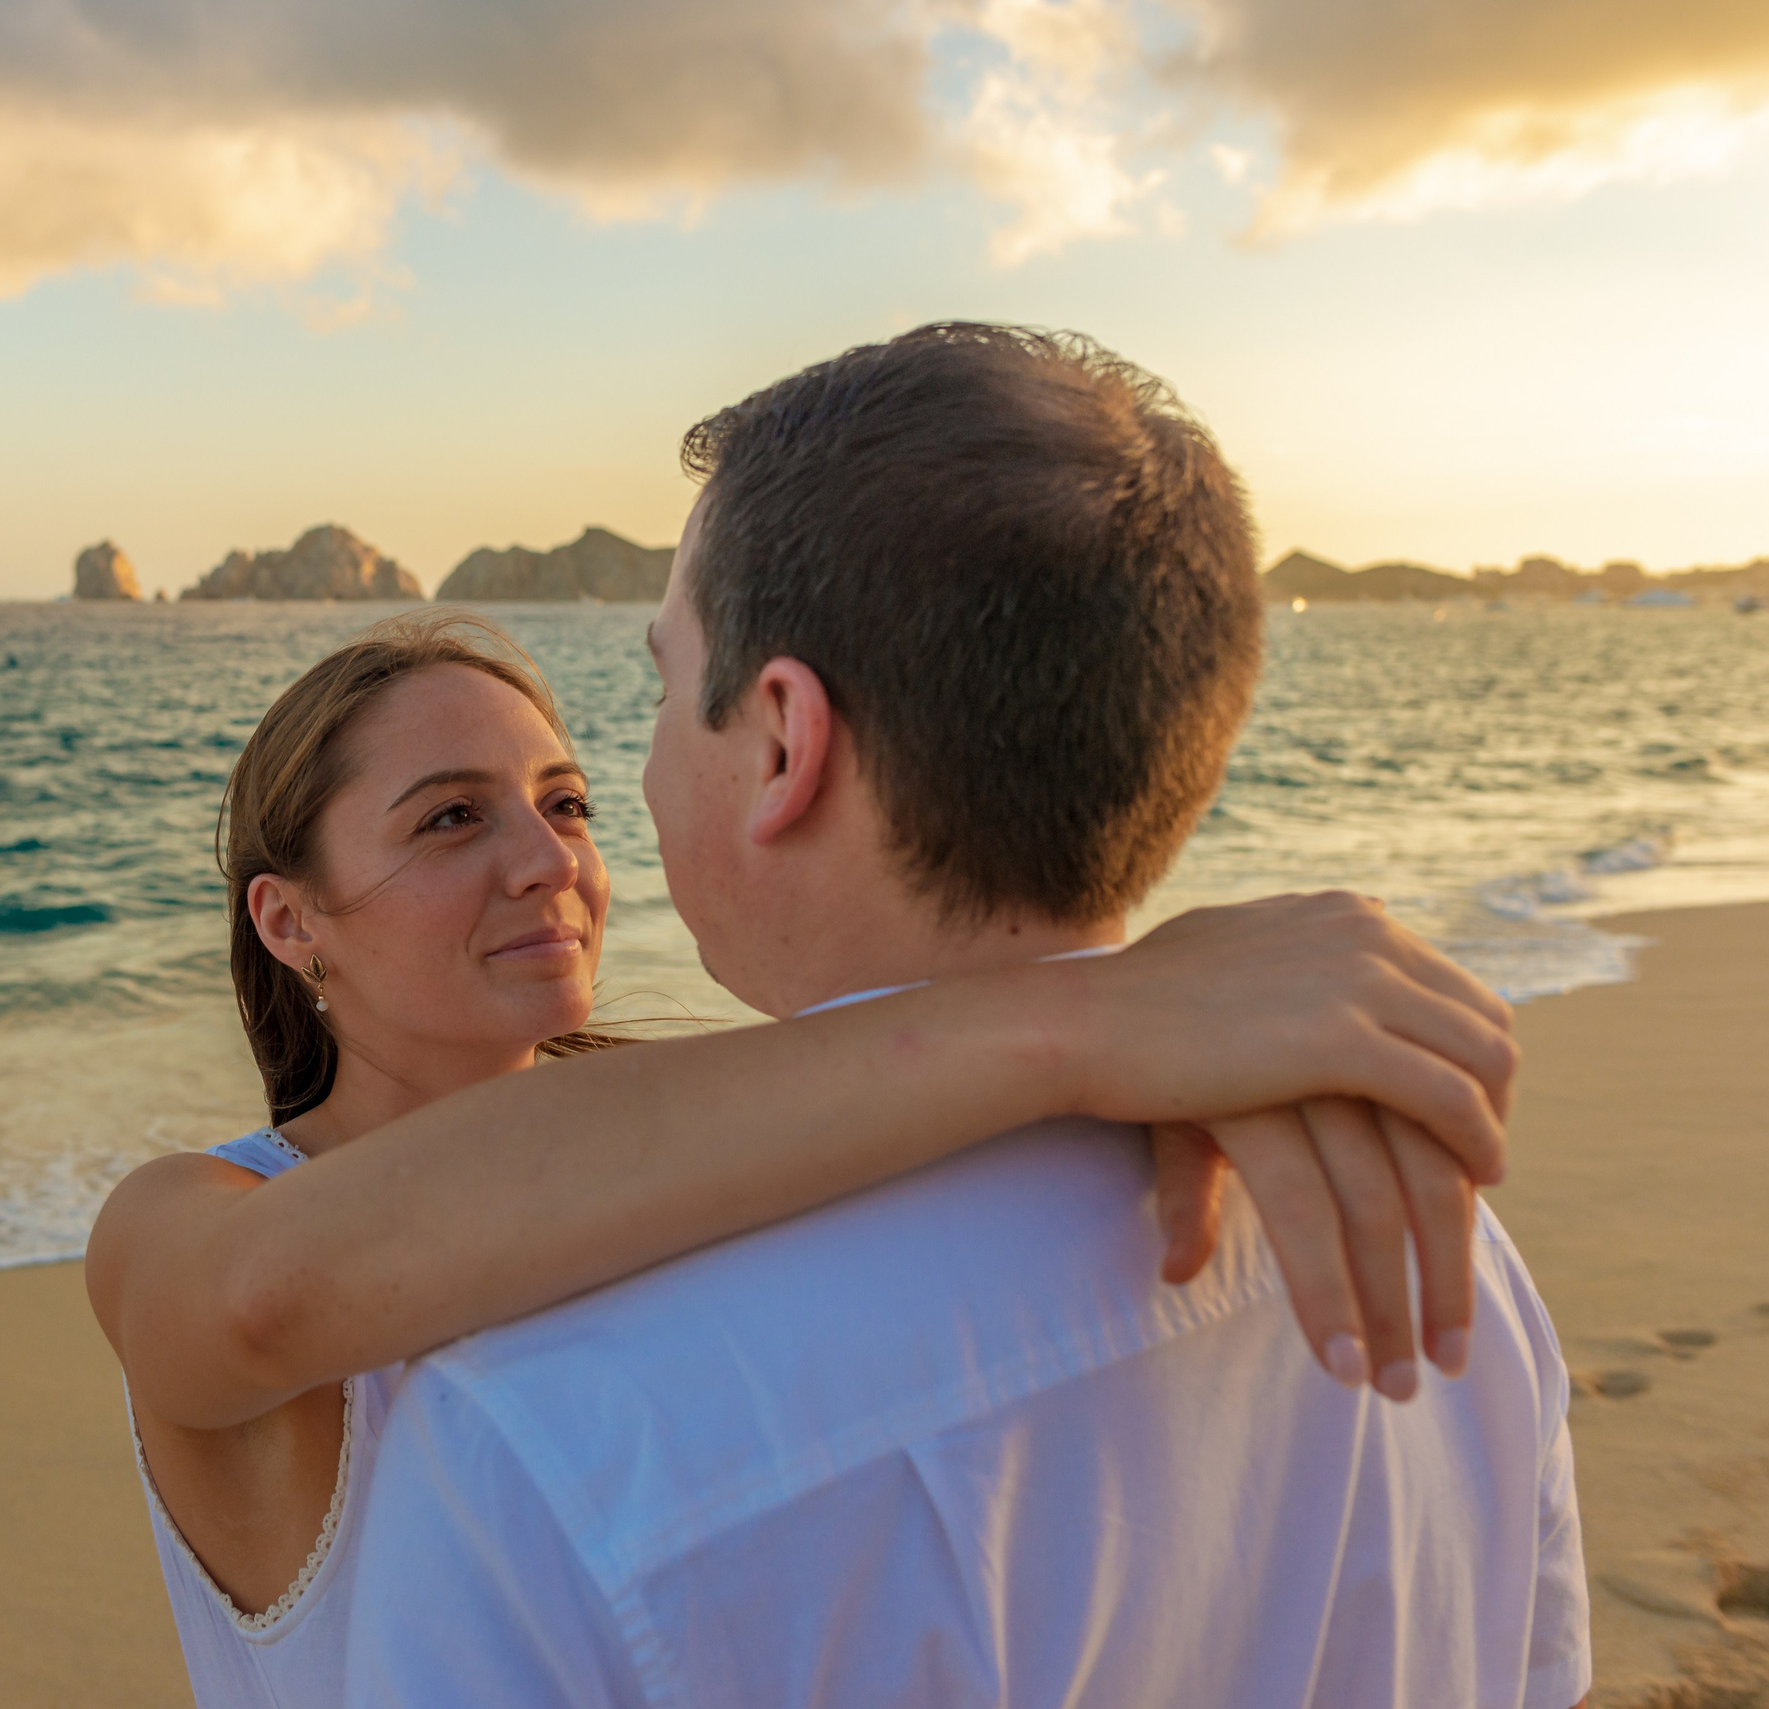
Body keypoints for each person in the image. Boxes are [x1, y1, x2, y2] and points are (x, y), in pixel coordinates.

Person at [340, 326, 1589, 1707]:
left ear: (782, 741)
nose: (631, 777)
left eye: (662, 688)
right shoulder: (1433, 1251)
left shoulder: (547, 1448)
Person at [89, 611, 1522, 1703]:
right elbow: (269, 1299)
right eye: (452, 817)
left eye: (567, 802)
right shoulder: (188, 1218)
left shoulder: (727, 1136)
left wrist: (1193, 1058)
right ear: (290, 921)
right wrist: (1101, 1013)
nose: (549, 860)